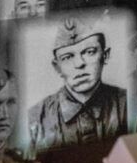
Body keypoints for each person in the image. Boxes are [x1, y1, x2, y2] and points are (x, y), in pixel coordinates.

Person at [28, 16, 128, 152]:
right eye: (67, 57)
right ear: (57, 67)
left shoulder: (127, 103)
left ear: (105, 55)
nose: (79, 63)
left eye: (89, 52)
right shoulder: (35, 118)